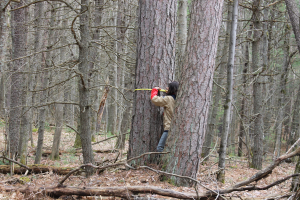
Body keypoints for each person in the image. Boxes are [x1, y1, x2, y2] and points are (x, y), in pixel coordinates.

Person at [151, 81, 179, 152]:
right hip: (177, 130)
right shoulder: (179, 99)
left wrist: (154, 90)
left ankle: (162, 163)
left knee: (160, 148)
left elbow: (155, 99)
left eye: (168, 87)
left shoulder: (168, 99)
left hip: (169, 129)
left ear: (172, 89)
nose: (166, 88)